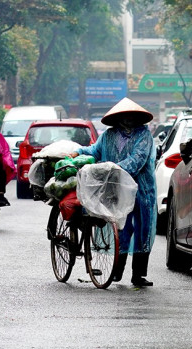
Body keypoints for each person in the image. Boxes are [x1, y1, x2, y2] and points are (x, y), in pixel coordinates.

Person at [70, 97, 156, 287]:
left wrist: (113, 168)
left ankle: (138, 275)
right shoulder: (108, 136)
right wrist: (79, 152)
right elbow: (95, 151)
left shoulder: (144, 135)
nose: (128, 119)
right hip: (115, 189)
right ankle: (117, 272)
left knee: (143, 229)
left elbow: (138, 159)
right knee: (121, 228)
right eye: (124, 116)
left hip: (141, 190)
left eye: (131, 116)